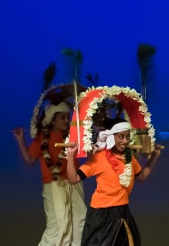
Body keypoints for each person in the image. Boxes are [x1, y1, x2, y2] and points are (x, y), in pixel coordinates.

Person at [66, 118, 161, 246]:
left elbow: (142, 176)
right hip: (101, 215)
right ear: (111, 136)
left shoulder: (129, 157)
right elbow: (73, 179)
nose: (125, 141)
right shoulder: (99, 158)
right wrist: (70, 156)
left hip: (122, 212)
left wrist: (155, 155)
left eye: (127, 137)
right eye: (120, 137)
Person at [13, 101, 87, 246]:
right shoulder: (42, 138)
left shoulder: (73, 136)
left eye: (68, 117)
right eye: (62, 118)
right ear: (53, 120)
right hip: (52, 185)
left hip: (74, 183)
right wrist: (21, 140)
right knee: (57, 224)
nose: (67, 120)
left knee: (79, 221)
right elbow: (29, 160)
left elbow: (87, 150)